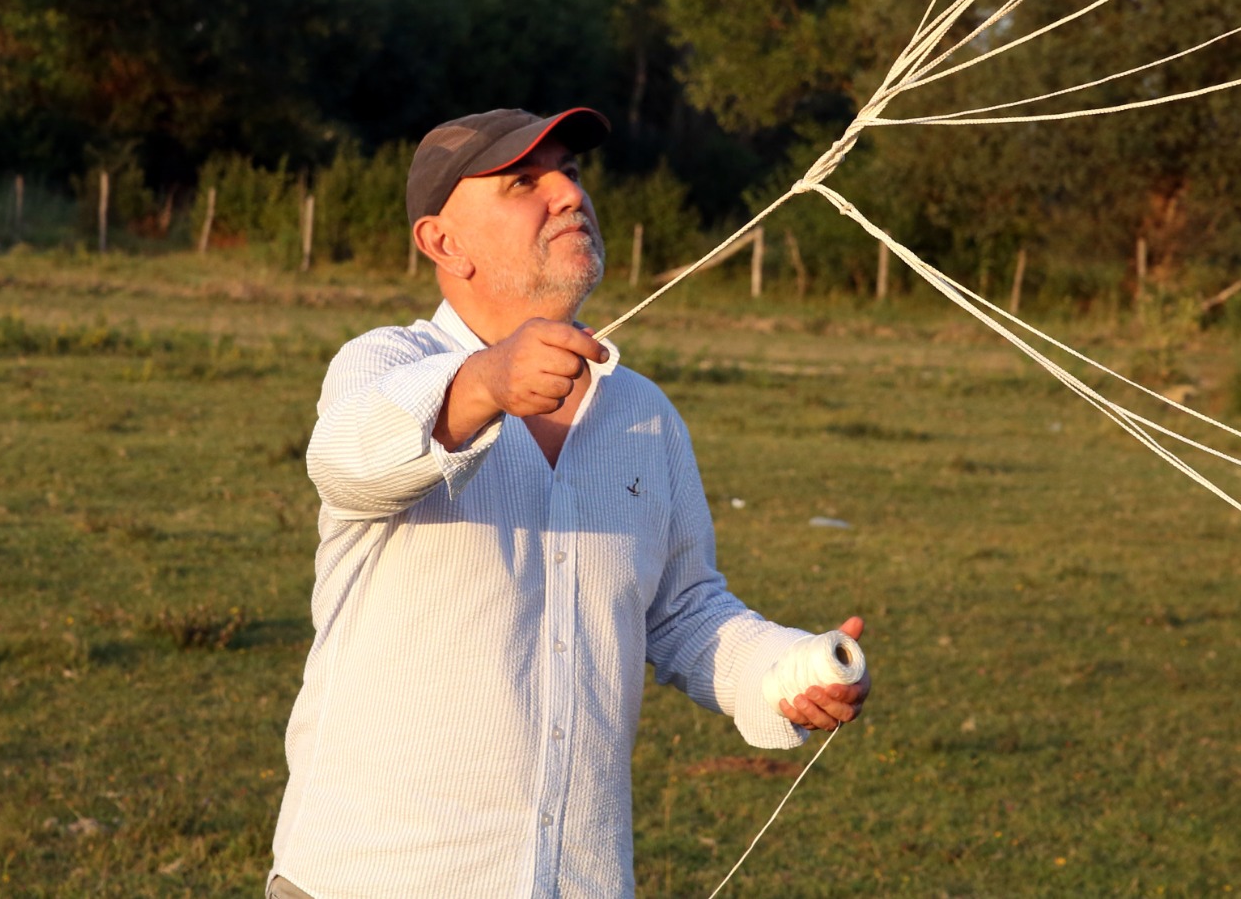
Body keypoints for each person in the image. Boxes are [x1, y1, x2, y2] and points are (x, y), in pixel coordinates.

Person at [268, 107, 870, 899]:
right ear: (441, 242)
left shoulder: (643, 412)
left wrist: (785, 670)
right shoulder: (384, 362)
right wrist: (484, 383)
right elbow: (349, 459)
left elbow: (685, 610)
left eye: (572, 173)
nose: (567, 194)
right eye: (525, 181)